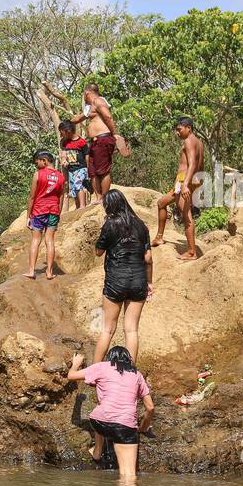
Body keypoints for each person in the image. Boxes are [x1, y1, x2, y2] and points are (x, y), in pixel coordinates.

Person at [67, 347, 155, 485]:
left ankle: (97, 451)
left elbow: (71, 376)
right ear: (128, 359)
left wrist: (75, 364)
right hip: (123, 427)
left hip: (99, 422)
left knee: (103, 409)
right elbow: (150, 407)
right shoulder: (137, 374)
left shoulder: (102, 367)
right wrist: (143, 428)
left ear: (110, 357)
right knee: (128, 475)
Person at [93, 189, 154, 364]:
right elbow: (148, 258)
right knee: (132, 330)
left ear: (109, 206)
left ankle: (94, 373)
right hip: (138, 281)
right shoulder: (141, 225)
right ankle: (131, 375)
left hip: (115, 282)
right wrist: (149, 282)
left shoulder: (110, 224)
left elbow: (98, 252)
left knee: (107, 330)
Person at [154, 116, 205, 260]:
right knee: (161, 203)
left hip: (185, 181)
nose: (177, 133)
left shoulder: (189, 141)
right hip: (190, 181)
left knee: (186, 214)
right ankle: (159, 237)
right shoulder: (198, 142)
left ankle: (192, 252)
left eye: (179, 129)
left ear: (188, 128)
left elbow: (193, 164)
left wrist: (185, 185)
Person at [70, 83, 119, 204]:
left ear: (87, 93)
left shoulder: (98, 101)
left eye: (83, 95)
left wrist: (115, 134)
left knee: (103, 170)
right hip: (94, 142)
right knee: (92, 171)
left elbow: (108, 116)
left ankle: (105, 197)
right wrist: (67, 122)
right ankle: (98, 198)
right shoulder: (90, 107)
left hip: (103, 139)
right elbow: (77, 119)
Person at [23, 149, 66, 281]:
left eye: (38, 163)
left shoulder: (38, 174)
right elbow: (61, 197)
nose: (37, 165)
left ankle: (31, 271)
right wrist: (58, 213)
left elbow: (31, 197)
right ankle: (49, 272)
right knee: (50, 240)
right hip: (53, 211)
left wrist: (28, 216)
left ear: (44, 161)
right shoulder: (61, 176)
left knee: (36, 240)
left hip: (39, 211)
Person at [58, 120, 90, 214]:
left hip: (81, 168)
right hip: (71, 170)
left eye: (61, 132)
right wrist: (64, 160)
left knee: (78, 184)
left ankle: (82, 206)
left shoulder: (81, 142)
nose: (60, 135)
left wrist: (88, 168)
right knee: (73, 189)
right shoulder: (64, 142)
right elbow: (63, 153)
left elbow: (87, 155)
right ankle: (77, 207)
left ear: (68, 131)